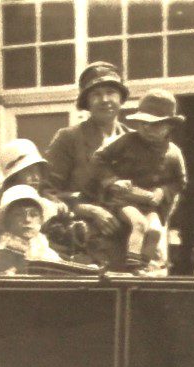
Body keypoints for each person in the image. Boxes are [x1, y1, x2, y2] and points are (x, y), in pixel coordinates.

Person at [88, 89, 187, 274]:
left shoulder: (173, 153)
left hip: (150, 203)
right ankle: (132, 264)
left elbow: (180, 182)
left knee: (155, 230)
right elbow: (99, 159)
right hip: (124, 200)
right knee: (139, 224)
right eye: (142, 123)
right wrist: (112, 181)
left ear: (169, 126)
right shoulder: (126, 141)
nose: (146, 129)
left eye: (155, 124)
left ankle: (142, 266)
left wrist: (163, 192)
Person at [45, 61, 130, 264]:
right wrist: (89, 210)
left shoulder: (134, 140)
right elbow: (46, 193)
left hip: (127, 245)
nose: (105, 100)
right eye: (96, 94)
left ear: (121, 97)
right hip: (82, 246)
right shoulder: (69, 138)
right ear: (87, 102)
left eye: (110, 92)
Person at [0, 184, 61, 275]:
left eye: (33, 215)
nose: (27, 220)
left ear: (41, 220)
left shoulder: (49, 254)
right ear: (7, 220)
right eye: (18, 214)